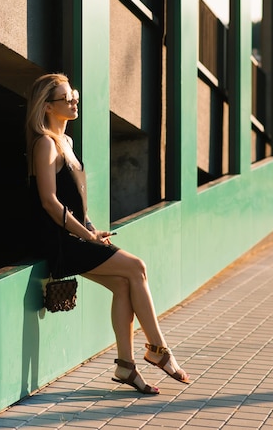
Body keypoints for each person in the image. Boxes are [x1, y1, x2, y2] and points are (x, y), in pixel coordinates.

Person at [26, 73, 189, 395]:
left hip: (75, 234)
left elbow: (74, 200)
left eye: (74, 95)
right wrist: (86, 238)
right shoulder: (45, 143)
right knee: (136, 267)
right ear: (46, 107)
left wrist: (90, 228)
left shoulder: (67, 143)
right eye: (66, 98)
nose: (74, 101)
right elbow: (48, 201)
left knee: (124, 285)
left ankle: (126, 366)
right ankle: (159, 348)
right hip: (57, 240)